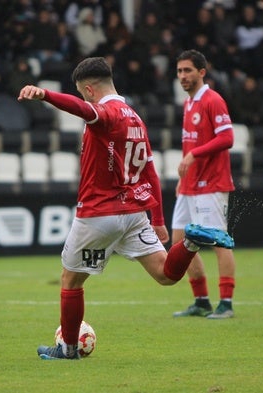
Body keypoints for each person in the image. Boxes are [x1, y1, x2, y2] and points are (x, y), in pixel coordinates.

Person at [17, 56, 234, 360]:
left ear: (90, 90)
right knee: (166, 275)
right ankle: (189, 242)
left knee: (71, 279)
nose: (83, 99)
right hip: (133, 213)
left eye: (83, 93)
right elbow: (150, 170)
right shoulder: (134, 117)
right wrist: (157, 218)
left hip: (99, 213)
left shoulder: (106, 113)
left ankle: (67, 348)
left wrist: (46, 95)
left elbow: (83, 110)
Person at [172, 50, 237, 319]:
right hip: (189, 186)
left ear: (202, 72)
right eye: (179, 71)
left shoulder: (212, 100)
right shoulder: (188, 103)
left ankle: (226, 303)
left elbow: (228, 138)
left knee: (218, 242)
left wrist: (194, 155)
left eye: (188, 70)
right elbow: (192, 143)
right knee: (179, 242)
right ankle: (201, 300)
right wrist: (182, 179)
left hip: (211, 183)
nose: (183, 76)